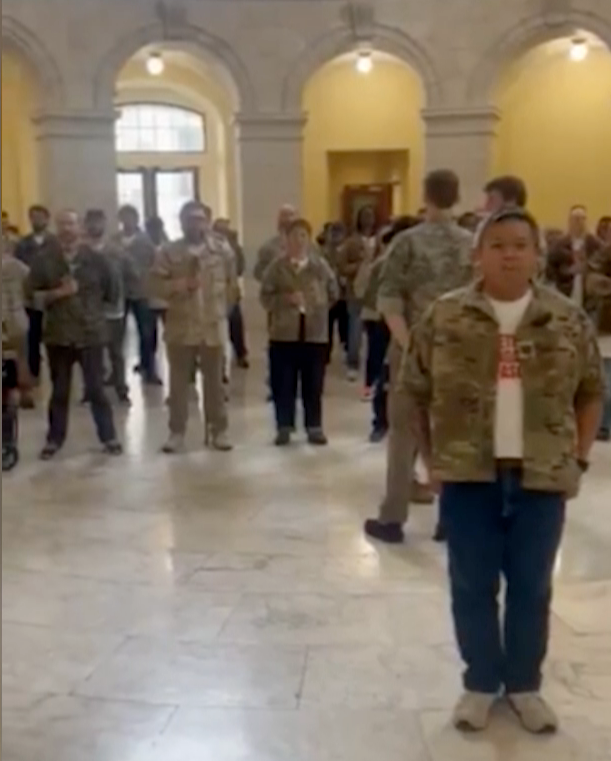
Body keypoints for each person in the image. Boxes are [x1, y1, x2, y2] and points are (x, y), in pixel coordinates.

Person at [401, 207, 605, 734]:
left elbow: (591, 391)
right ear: (478, 255)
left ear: (537, 254)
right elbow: (413, 390)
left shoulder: (565, 318)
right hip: (469, 476)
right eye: (497, 245)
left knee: (532, 587)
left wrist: (579, 457)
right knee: (471, 584)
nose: (509, 255)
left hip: (541, 476)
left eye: (519, 245)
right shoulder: (445, 316)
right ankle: (479, 683)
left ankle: (523, 685)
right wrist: (430, 461)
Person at [364, 170, 473, 545]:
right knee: (453, 435)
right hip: (460, 353)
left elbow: (389, 301)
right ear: (456, 196)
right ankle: (451, 519)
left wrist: (410, 345)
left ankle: (393, 519)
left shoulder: (407, 242)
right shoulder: (472, 244)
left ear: (425, 196)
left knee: (404, 435)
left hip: (413, 351)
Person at [26, 209, 122, 459]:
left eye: (71, 224)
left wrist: (92, 309)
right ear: (56, 229)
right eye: (62, 224)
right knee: (59, 391)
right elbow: (31, 297)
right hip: (58, 336)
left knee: (97, 390)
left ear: (79, 227)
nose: (67, 229)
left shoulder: (98, 260)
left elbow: (112, 293)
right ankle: (54, 439)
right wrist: (57, 294)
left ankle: (109, 437)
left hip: (91, 335)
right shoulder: (43, 260)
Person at [150, 201, 234, 454]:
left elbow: (231, 284)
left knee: (215, 384)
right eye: (190, 219)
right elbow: (154, 286)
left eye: (200, 219)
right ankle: (176, 432)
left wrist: (222, 311)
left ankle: (218, 430)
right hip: (181, 326)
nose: (195, 224)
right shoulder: (167, 252)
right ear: (181, 222)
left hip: (211, 326)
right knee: (178, 384)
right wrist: (179, 286)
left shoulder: (221, 250)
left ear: (207, 222)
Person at [261, 218, 339, 446]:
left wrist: (317, 305)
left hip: (314, 334)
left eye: (303, 236)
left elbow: (333, 292)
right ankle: (284, 426)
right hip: (284, 334)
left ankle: (314, 426)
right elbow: (265, 297)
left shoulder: (320, 267)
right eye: (294, 235)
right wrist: (285, 300)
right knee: (283, 383)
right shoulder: (276, 268)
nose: (299, 241)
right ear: (286, 239)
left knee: (313, 383)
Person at [83, 209, 136, 406]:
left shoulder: (116, 251)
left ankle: (121, 388)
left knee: (116, 351)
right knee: (91, 353)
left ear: (105, 224)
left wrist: (122, 291)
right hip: (88, 310)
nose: (95, 226)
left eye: (99, 222)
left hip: (114, 309)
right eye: (91, 223)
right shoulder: (81, 252)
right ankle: (92, 390)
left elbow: (131, 273)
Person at [114, 205, 161, 385]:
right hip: (119, 292)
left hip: (142, 291)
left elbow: (155, 264)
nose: (127, 221)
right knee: (116, 335)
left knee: (147, 333)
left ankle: (149, 369)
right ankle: (116, 374)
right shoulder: (114, 241)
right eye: (124, 217)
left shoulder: (146, 241)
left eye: (130, 217)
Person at [14, 205, 55, 386]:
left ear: (47, 219)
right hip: (32, 296)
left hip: (53, 294)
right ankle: (33, 372)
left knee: (54, 337)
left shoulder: (55, 242)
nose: (37, 220)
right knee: (33, 335)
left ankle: (56, 373)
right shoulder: (23, 244)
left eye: (40, 217)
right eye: (33, 217)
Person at [338, 205, 380, 382]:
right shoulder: (351, 242)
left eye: (371, 215)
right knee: (355, 328)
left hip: (375, 292)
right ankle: (353, 364)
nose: (368, 219)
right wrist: (360, 265)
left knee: (375, 332)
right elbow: (341, 266)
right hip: (356, 290)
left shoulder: (379, 241)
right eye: (365, 216)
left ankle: (374, 367)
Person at [214, 217, 249, 369]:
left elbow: (240, 267)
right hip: (213, 295)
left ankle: (240, 354)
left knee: (236, 326)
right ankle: (219, 363)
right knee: (216, 332)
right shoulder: (210, 247)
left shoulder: (234, 247)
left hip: (231, 293)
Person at [321, 221, 348, 363]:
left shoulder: (346, 250)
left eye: (339, 233)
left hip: (344, 294)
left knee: (344, 324)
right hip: (328, 294)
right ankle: (326, 353)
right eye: (333, 233)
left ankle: (346, 346)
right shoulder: (323, 252)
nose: (336, 237)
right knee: (328, 325)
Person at [254, 204, 298, 282]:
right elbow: (258, 273)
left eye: (291, 215)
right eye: (285, 215)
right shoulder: (268, 248)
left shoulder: (309, 248)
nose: (288, 219)